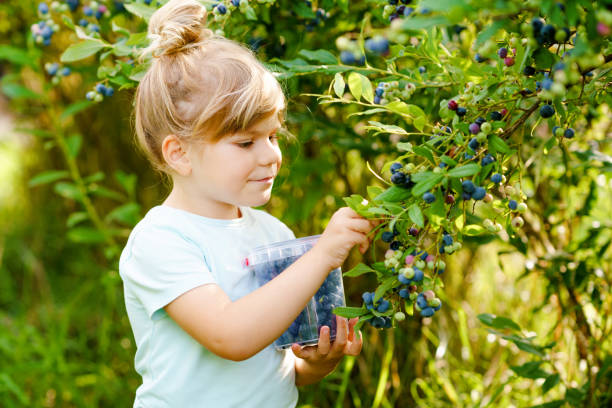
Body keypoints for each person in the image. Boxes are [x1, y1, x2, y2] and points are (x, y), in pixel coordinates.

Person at [119, 0, 379, 406]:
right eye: (245, 142)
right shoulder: (161, 241)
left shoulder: (273, 234)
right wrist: (322, 254)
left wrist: (318, 362)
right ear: (179, 154)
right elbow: (231, 335)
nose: (271, 155)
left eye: (272, 136)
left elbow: (276, 369)